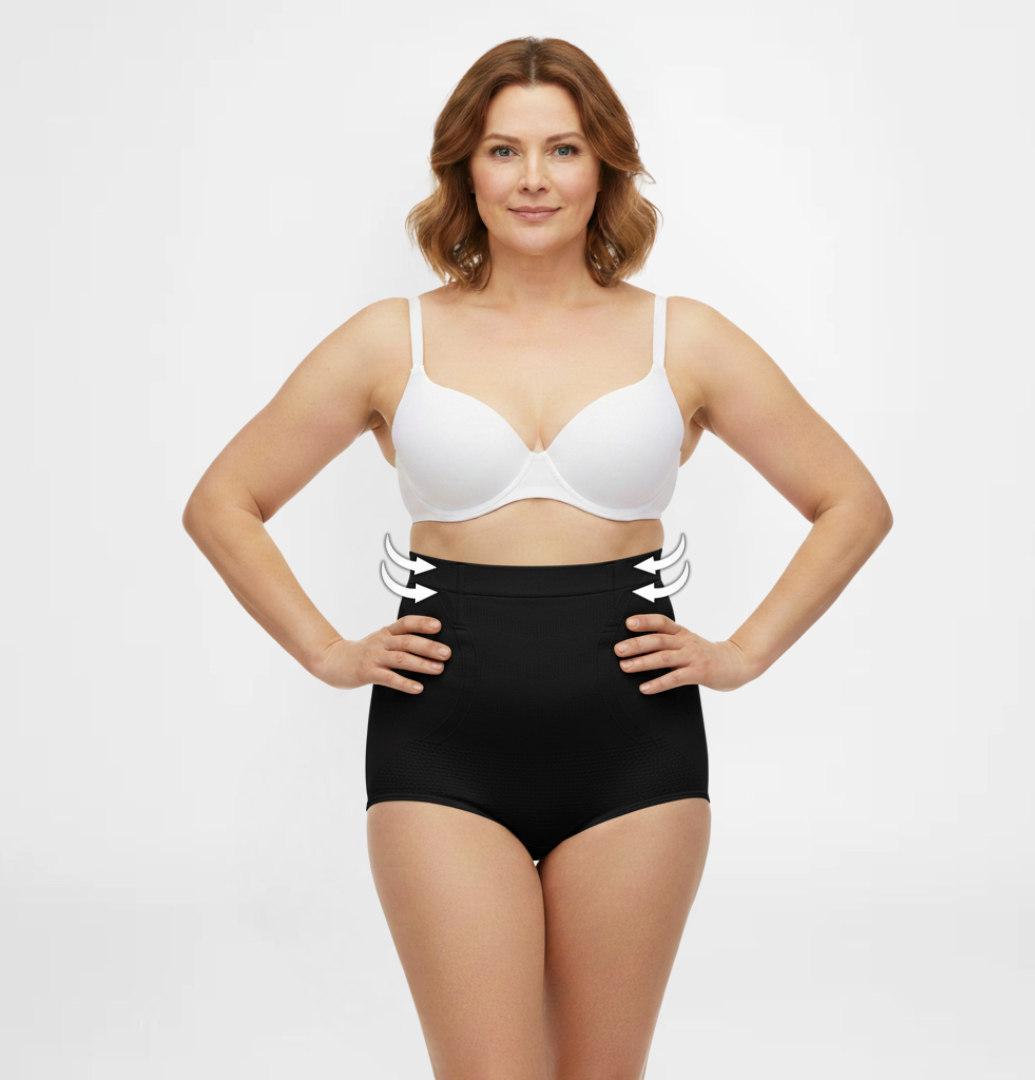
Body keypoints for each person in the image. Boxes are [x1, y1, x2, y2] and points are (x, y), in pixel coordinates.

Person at [183, 35, 893, 1080]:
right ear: (464, 171)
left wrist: (742, 653)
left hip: (635, 750)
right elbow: (224, 502)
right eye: (503, 150)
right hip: (441, 748)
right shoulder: (391, 338)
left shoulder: (684, 337)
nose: (532, 178)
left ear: (603, 166)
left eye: (562, 149)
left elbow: (852, 503)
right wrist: (327, 651)